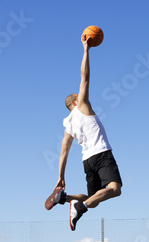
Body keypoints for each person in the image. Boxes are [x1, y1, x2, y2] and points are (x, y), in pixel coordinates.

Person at [44, 34, 122, 231]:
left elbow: (63, 152)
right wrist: (86, 50)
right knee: (114, 189)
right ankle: (80, 206)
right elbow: (85, 77)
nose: (83, 95)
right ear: (74, 102)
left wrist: (60, 178)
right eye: (80, 95)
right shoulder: (83, 106)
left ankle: (66, 199)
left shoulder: (68, 124)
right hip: (101, 154)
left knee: (92, 198)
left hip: (87, 161)